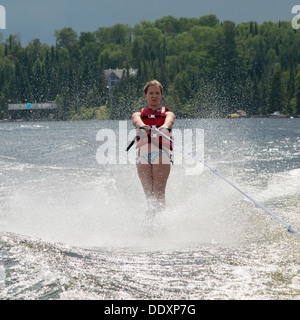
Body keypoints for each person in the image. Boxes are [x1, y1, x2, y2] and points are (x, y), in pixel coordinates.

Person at [131, 80, 175, 214]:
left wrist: (164, 127)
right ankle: (151, 223)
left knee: (159, 193)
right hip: (143, 156)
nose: (154, 96)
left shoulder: (168, 114)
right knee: (149, 196)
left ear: (161, 95)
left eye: (157, 93)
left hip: (161, 156)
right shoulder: (138, 114)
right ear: (145, 95)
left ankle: (162, 223)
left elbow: (169, 120)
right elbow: (136, 120)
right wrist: (143, 126)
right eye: (151, 93)